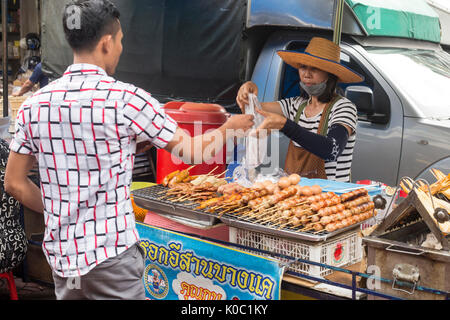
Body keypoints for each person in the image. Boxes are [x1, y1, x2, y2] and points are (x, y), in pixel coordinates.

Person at [4, 0, 253, 300]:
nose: (121, 48)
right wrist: (230, 126)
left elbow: (14, 182)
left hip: (63, 259)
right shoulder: (128, 100)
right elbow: (192, 152)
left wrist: (60, 209)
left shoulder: (35, 105)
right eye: (121, 40)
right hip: (111, 260)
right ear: (107, 43)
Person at [236, 37, 363, 182]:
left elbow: (332, 150)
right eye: (303, 67)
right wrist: (249, 93)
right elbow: (256, 109)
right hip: (297, 196)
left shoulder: (344, 107)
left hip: (331, 197)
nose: (306, 74)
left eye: (314, 68)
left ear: (330, 74)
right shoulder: (296, 105)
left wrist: (286, 125)